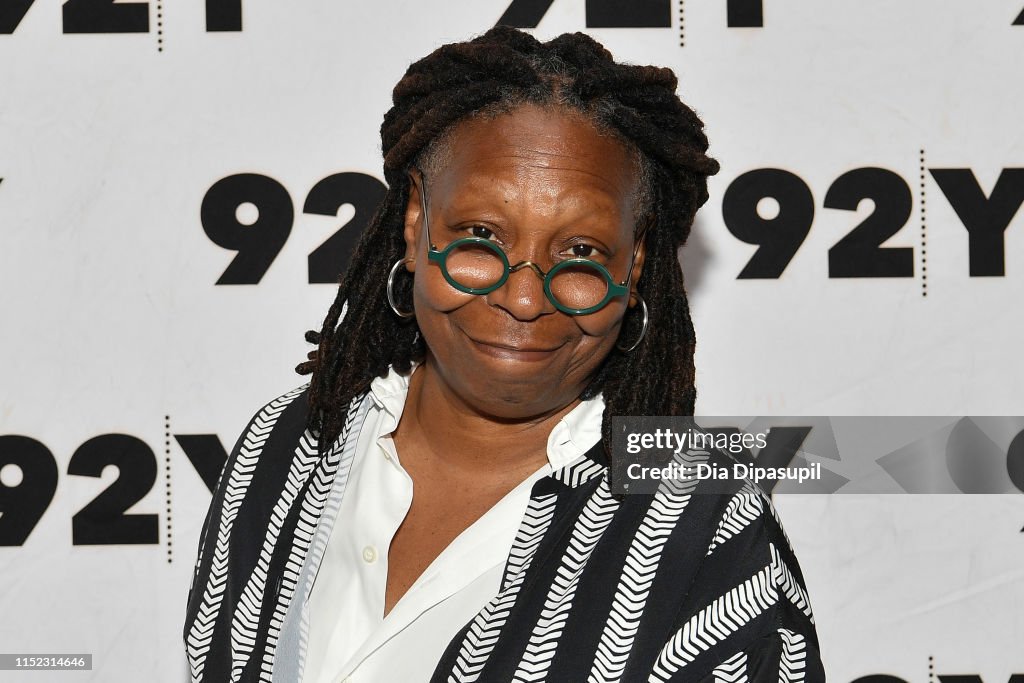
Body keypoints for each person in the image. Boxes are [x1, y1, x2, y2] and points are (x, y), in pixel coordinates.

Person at [183, 26, 825, 682]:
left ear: (633, 268)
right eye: (481, 235)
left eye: (580, 252)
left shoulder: (704, 525)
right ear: (415, 226)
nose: (523, 298)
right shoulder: (286, 447)